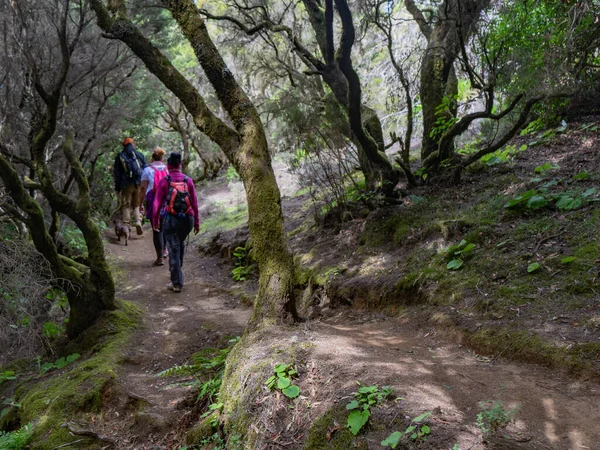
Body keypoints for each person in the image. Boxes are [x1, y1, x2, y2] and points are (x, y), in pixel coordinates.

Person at [152, 152, 200, 293]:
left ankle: (177, 283)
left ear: (168, 165)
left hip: (171, 220)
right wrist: (196, 222)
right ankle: (177, 274)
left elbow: (156, 204)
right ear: (180, 165)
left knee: (173, 249)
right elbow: (195, 203)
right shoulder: (188, 180)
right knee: (179, 243)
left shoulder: (164, 181)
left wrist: (155, 221)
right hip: (188, 220)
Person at [139, 147, 168, 266]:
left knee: (156, 229)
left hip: (153, 200)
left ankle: (160, 257)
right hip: (166, 200)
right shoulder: (168, 169)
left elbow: (142, 189)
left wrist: (140, 204)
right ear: (162, 158)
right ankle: (165, 250)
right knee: (164, 226)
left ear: (152, 158)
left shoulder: (147, 170)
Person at [114, 137, 147, 236]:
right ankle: (137, 221)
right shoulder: (139, 155)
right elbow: (145, 169)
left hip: (125, 185)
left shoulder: (120, 156)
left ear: (123, 145)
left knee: (126, 205)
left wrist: (117, 188)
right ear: (133, 144)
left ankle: (127, 226)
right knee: (136, 205)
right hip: (137, 183)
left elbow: (117, 173)